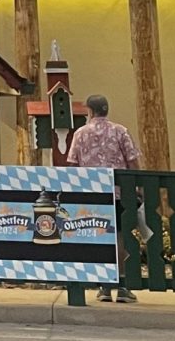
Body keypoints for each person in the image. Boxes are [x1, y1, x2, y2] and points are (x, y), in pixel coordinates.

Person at [66, 94, 140, 305]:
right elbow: (133, 161)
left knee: (98, 236)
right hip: (119, 193)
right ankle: (122, 285)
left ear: (89, 111)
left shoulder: (80, 133)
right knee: (118, 235)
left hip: (92, 195)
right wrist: (138, 188)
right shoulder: (120, 131)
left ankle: (104, 286)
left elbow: (72, 164)